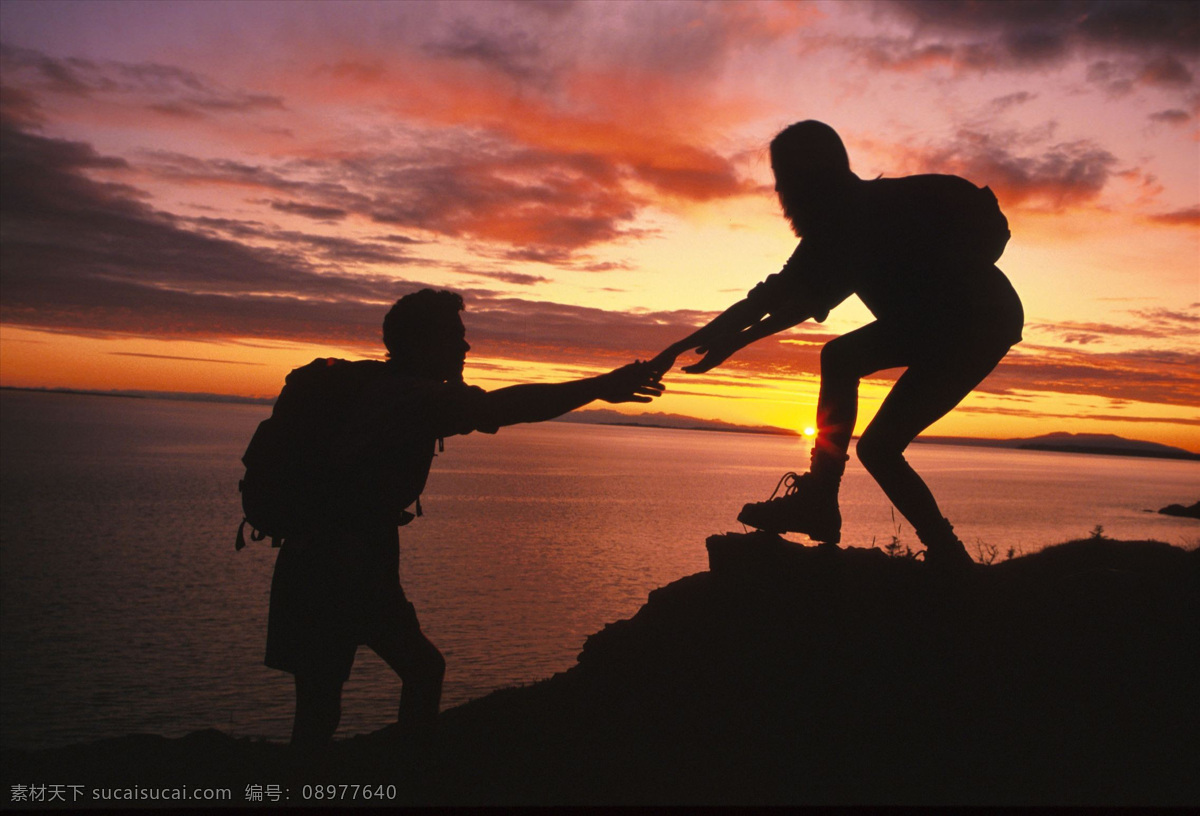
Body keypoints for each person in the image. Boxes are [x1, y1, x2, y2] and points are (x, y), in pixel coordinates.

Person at [263, 288, 663, 754]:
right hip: (343, 562)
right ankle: (402, 780)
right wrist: (599, 386)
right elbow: (502, 408)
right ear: (420, 343)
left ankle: (335, 781)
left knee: (326, 701)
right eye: (455, 336)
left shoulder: (376, 385)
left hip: (316, 557)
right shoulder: (411, 397)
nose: (465, 347)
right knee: (395, 680)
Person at [654, 121, 1023, 570]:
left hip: (972, 322)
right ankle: (934, 549)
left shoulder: (852, 220)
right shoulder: (845, 224)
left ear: (804, 175)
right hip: (971, 320)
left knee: (851, 382)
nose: (779, 189)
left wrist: (698, 346)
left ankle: (827, 505)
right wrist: (715, 343)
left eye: (782, 176)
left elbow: (779, 299)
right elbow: (783, 298)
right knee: (873, 433)